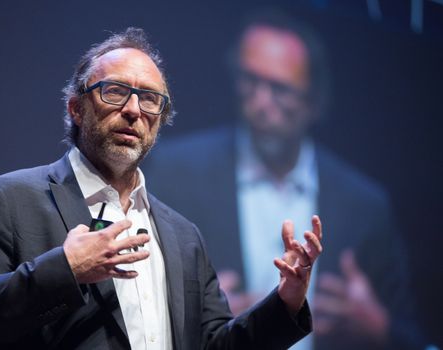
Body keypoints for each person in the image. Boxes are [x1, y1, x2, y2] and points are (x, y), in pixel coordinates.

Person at [0, 28, 323, 349]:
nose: (134, 110)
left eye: (150, 99)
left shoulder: (183, 235)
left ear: (159, 121)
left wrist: (286, 302)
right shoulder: (12, 199)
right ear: (76, 108)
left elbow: (214, 344)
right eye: (115, 91)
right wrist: (65, 270)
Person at [143, 12, 427, 350]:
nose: (261, 103)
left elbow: (413, 336)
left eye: (280, 89)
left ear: (314, 101)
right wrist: (199, 317)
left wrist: (377, 327)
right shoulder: (176, 173)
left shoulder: (363, 204)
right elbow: (134, 295)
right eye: (250, 81)